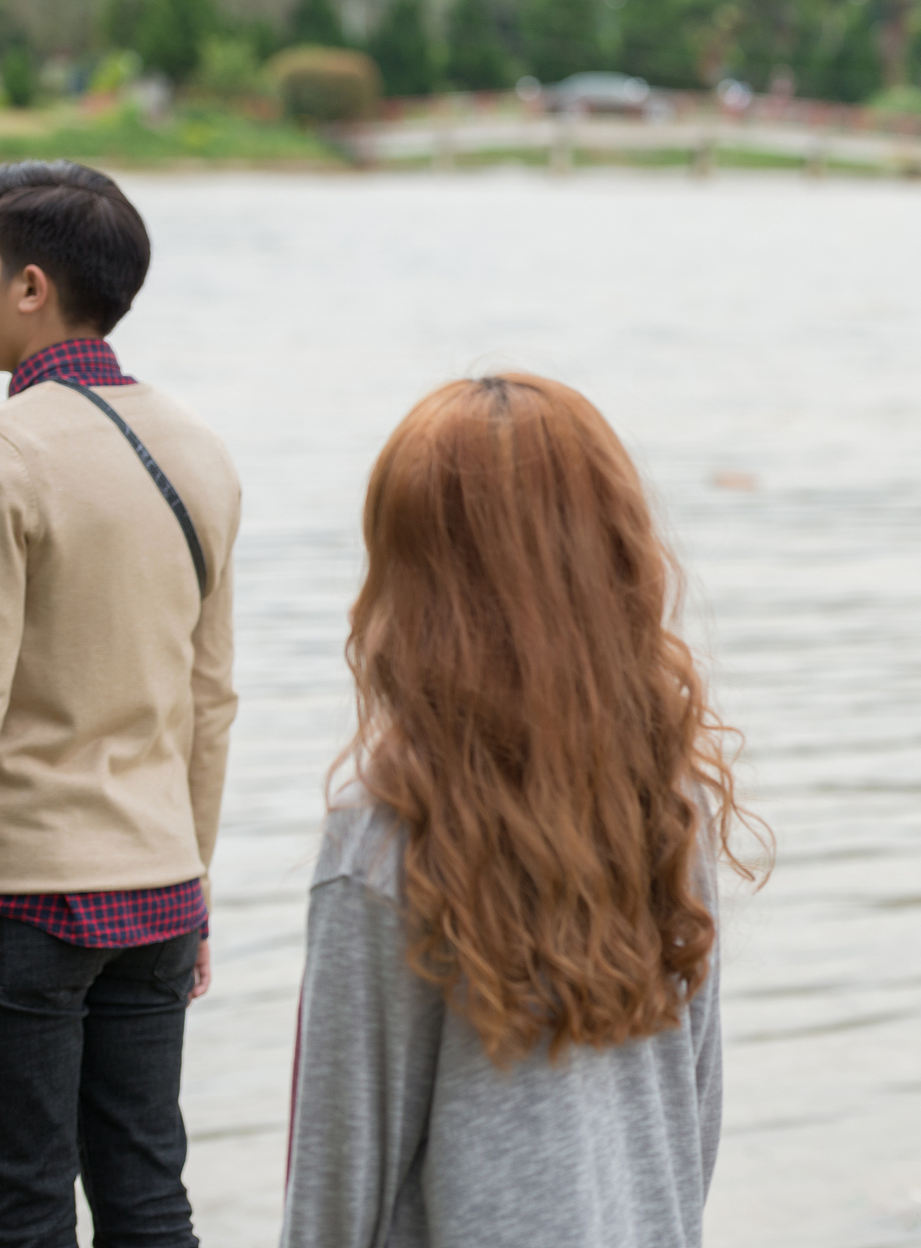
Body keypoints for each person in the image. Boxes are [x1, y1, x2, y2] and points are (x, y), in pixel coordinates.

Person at [280, 374, 757, 1248]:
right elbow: (694, 1122)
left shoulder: (385, 838)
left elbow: (334, 1193)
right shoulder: (663, 799)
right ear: (611, 560)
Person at [0, 160, 241, 1246]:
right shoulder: (199, 448)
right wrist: (193, 880)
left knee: (21, 1211)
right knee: (147, 1196)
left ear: (31, 285)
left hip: (22, 903)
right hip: (157, 889)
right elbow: (211, 698)